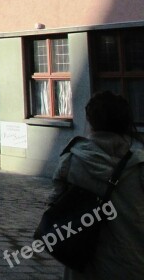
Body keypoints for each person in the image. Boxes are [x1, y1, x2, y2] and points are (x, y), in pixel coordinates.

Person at [49, 91, 144, 279]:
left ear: (90, 121)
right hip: (132, 264)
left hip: (83, 266)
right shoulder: (140, 165)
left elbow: (55, 206)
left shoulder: (71, 160)